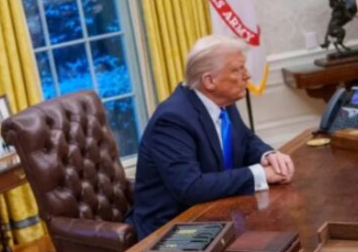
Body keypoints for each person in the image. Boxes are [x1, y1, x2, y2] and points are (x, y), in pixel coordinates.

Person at [125, 35, 295, 240]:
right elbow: (191, 187)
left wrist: (267, 155)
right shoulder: (172, 119)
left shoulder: (222, 101)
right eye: (237, 70)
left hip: (218, 213)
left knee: (281, 235)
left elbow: (245, 139)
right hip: (173, 230)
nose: (247, 75)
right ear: (209, 81)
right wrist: (260, 174)